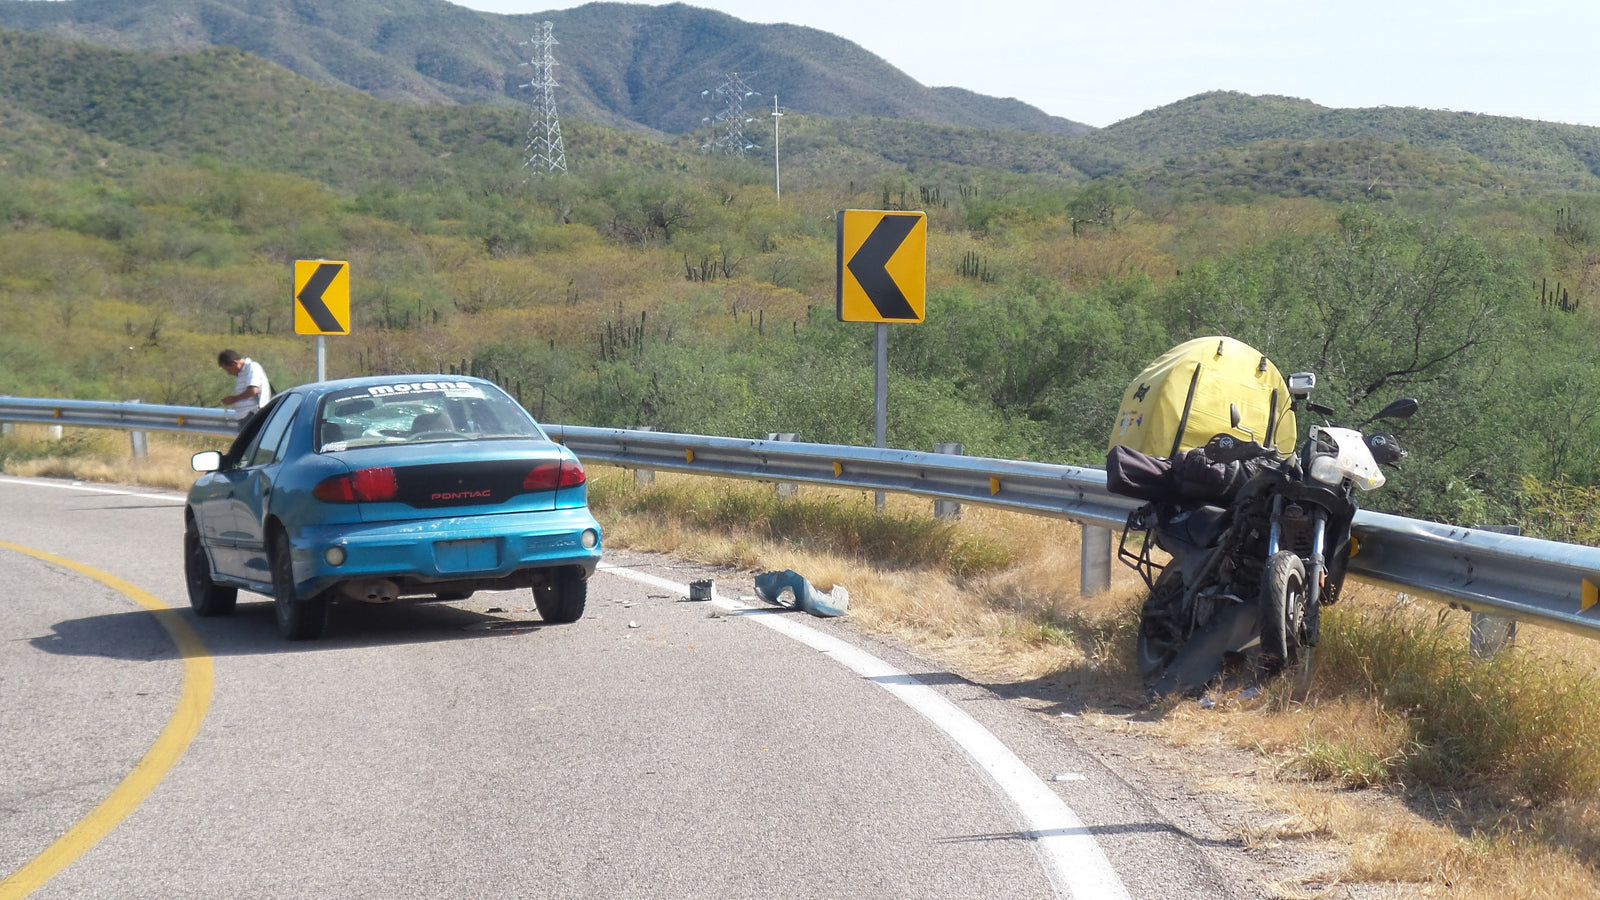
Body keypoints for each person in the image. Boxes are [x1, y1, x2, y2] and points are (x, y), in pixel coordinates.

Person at [218, 350, 271, 422]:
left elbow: (253, 390)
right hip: (244, 416)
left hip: (253, 414)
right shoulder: (241, 374)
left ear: (234, 363)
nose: (228, 373)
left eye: (228, 369)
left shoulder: (252, 367)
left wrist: (234, 399)